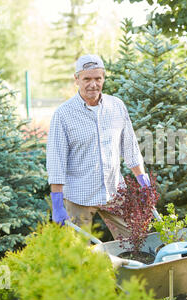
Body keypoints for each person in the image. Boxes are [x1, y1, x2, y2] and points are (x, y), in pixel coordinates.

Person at [46, 54, 150, 239]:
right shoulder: (63, 115)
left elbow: (130, 147)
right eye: (87, 79)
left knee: (136, 240)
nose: (93, 84)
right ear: (76, 79)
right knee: (78, 254)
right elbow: (56, 160)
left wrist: (142, 179)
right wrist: (57, 202)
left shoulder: (116, 106)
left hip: (114, 191)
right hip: (79, 196)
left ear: (103, 79)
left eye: (97, 79)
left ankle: (130, 268)